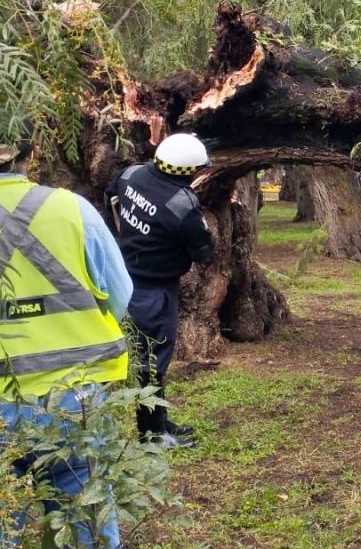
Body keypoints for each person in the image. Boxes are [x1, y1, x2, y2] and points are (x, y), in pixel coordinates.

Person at [0, 128, 133, 548]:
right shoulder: (72, 209)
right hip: (76, 396)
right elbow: (121, 295)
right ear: (30, 151)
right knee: (88, 516)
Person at [106, 133, 213, 447]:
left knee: (147, 358)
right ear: (189, 171)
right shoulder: (183, 204)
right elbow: (204, 252)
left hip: (123, 278)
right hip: (154, 291)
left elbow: (110, 198)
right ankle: (153, 435)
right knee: (151, 362)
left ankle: (160, 422)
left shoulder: (130, 174)